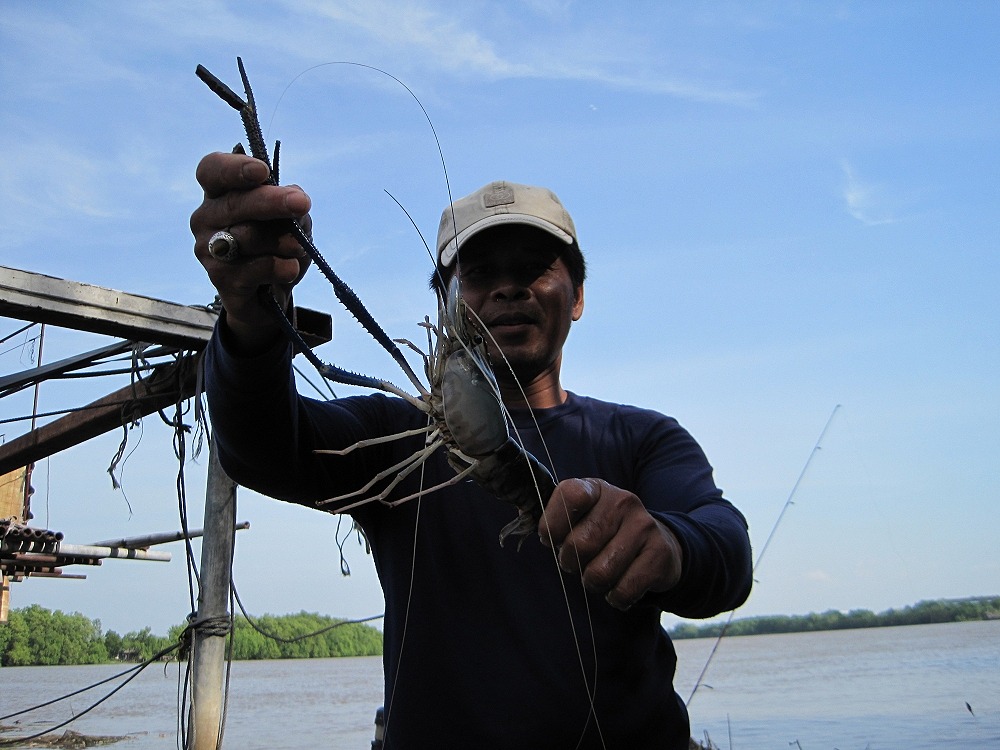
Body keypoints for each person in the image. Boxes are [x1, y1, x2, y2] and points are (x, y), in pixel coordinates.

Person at [191, 156, 753, 750]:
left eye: (534, 269)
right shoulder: (399, 433)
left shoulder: (641, 439)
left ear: (579, 295)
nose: (508, 288)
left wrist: (665, 546)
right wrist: (251, 318)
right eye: (480, 274)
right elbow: (259, 446)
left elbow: (725, 550)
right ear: (445, 307)